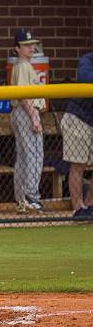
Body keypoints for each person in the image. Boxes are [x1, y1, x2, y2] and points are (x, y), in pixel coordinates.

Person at [10, 29, 46, 214]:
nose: (31, 47)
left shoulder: (24, 65)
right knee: (33, 155)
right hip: (26, 112)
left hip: (22, 112)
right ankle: (31, 197)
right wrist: (34, 117)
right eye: (26, 45)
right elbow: (24, 96)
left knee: (25, 156)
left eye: (32, 44)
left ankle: (22, 199)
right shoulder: (23, 65)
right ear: (17, 48)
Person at [62, 51, 93, 217]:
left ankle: (90, 206)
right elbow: (86, 78)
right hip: (78, 118)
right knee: (77, 165)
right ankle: (78, 209)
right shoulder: (87, 60)